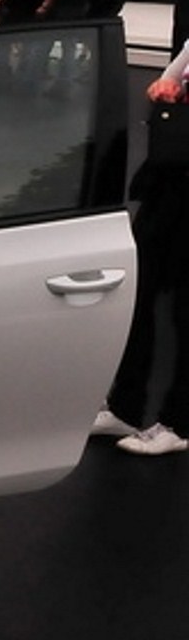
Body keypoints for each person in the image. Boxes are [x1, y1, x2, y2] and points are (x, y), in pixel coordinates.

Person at [91, 41, 189, 455]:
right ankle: (126, 405)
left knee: (185, 307)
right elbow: (167, 79)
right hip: (170, 180)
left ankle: (179, 422)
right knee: (139, 289)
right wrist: (166, 89)